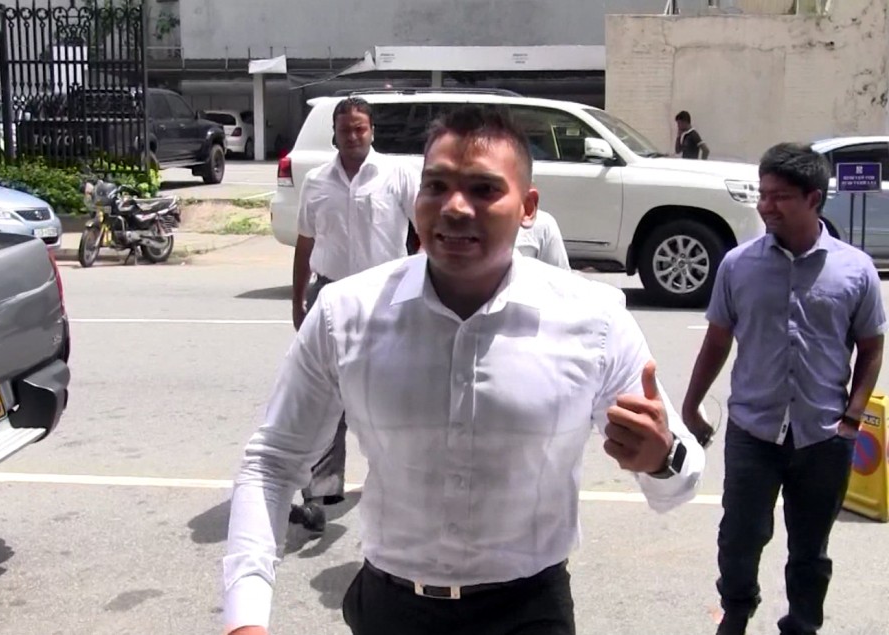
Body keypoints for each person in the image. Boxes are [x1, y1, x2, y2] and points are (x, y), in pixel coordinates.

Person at [223, 106, 705, 635]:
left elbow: (680, 479)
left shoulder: (594, 321)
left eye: (483, 189)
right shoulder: (346, 314)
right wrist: (245, 618)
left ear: (528, 208)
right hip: (391, 610)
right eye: (436, 186)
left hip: (526, 613)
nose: (454, 207)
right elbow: (272, 463)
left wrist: (661, 459)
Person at [681, 142, 885, 635]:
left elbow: (871, 347)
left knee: (810, 549)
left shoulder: (855, 269)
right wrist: (691, 405)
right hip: (753, 430)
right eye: (763, 194)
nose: (766, 205)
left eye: (780, 196)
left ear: (813, 198)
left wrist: (852, 417)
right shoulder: (737, 265)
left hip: (823, 435)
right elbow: (717, 341)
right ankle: (736, 610)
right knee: (739, 536)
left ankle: (801, 623)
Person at [288, 97, 419, 532]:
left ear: (372, 130)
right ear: (335, 133)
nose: (353, 135)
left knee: (388, 393)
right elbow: (305, 242)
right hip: (330, 295)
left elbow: (424, 230)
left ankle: (397, 482)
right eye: (346, 129)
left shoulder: (397, 175)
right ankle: (321, 494)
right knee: (325, 394)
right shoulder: (316, 182)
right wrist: (298, 300)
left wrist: (420, 285)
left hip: (386, 298)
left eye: (360, 128)